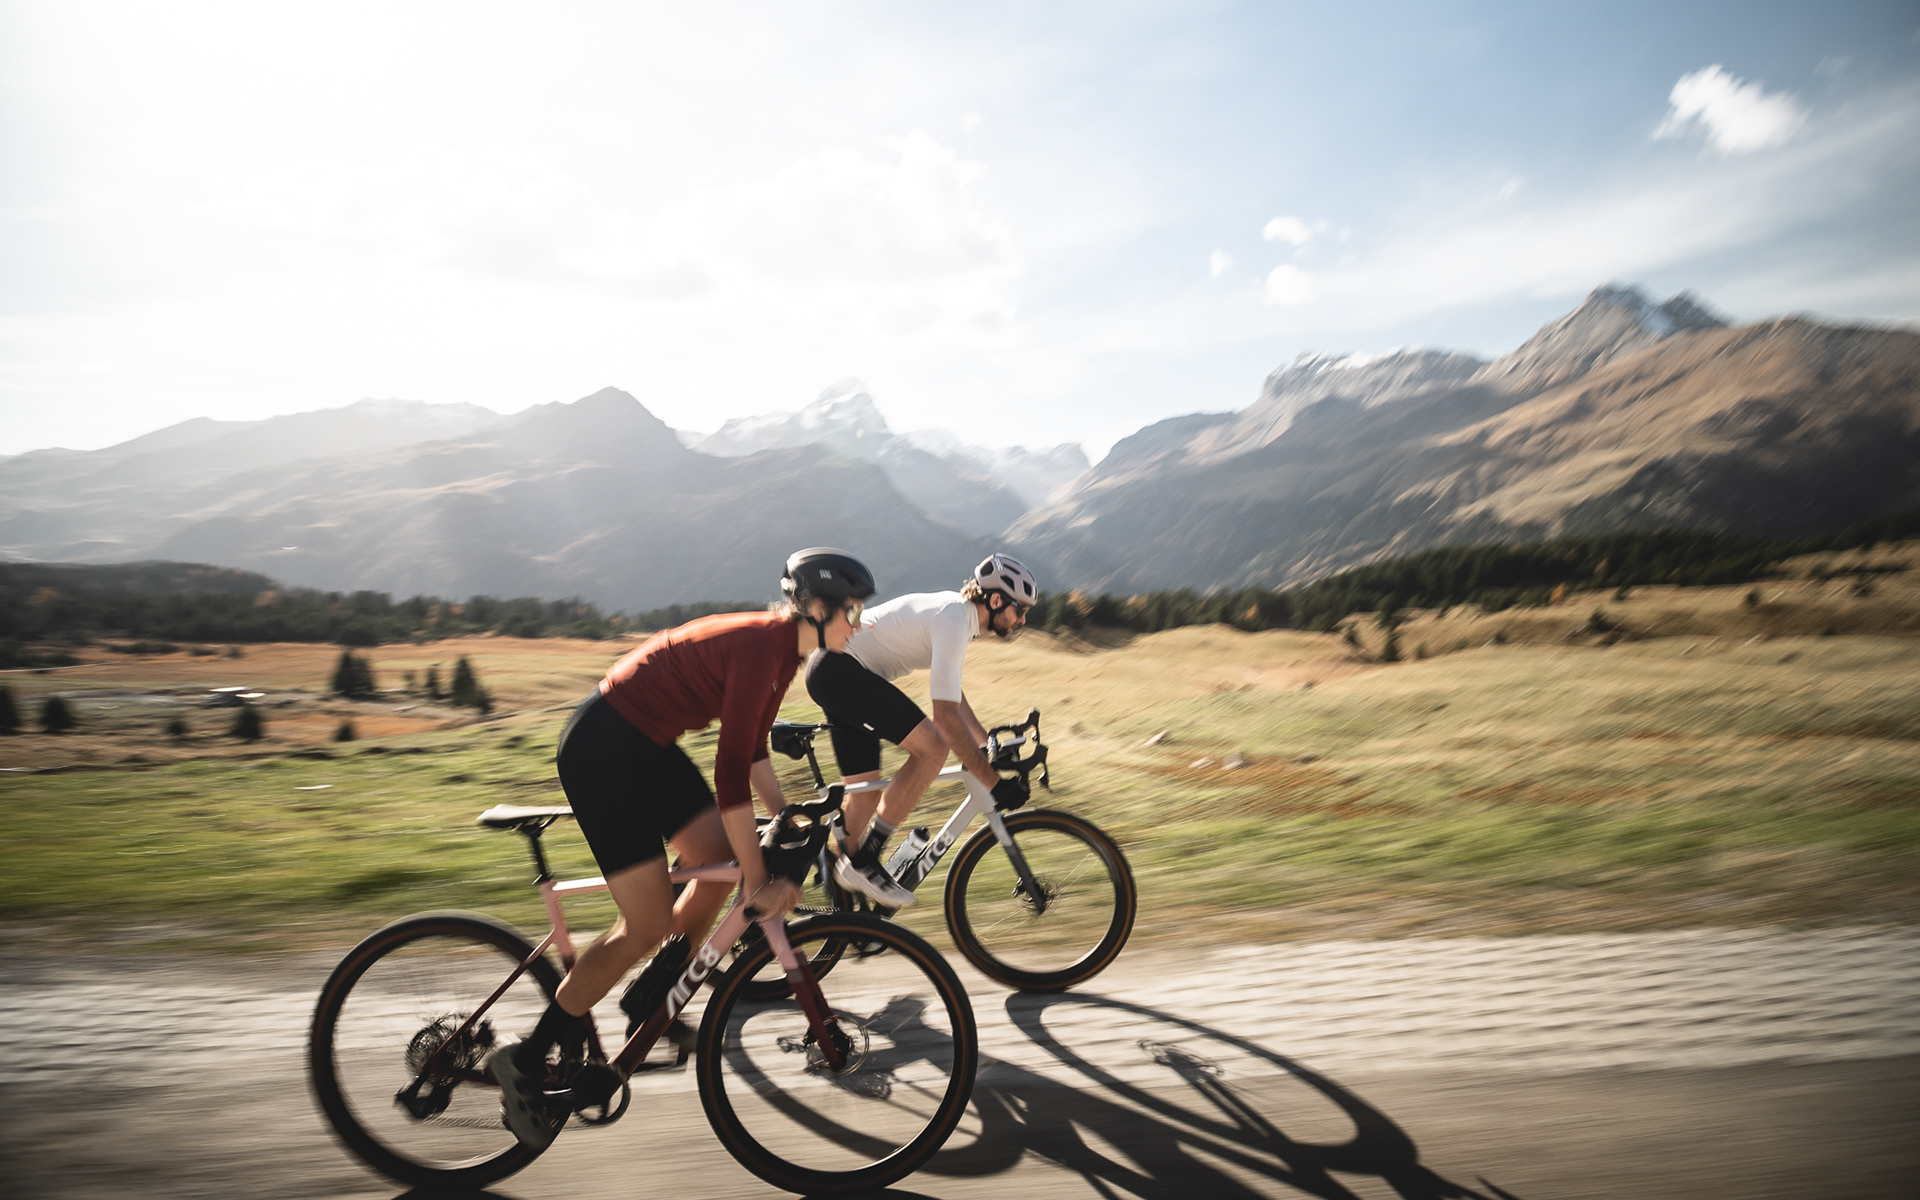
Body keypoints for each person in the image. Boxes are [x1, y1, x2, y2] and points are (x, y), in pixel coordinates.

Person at [487, 547, 876, 1150]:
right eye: (852, 611)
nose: (859, 623)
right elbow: (729, 774)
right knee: (645, 924)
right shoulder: (762, 648)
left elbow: (753, 751)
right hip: (604, 748)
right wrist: (758, 877)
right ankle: (527, 1058)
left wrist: (785, 820)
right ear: (817, 609)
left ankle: (660, 986)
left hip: (647, 744)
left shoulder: (786, 655)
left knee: (716, 859)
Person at [804, 552, 1037, 907]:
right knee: (934, 748)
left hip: (835, 671)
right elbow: (945, 718)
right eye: (1020, 609)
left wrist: (985, 743)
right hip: (841, 671)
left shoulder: (957, 616)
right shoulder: (953, 620)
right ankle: (865, 859)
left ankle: (834, 902)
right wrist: (995, 784)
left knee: (863, 797)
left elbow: (952, 696)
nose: (1023, 619)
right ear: (995, 601)